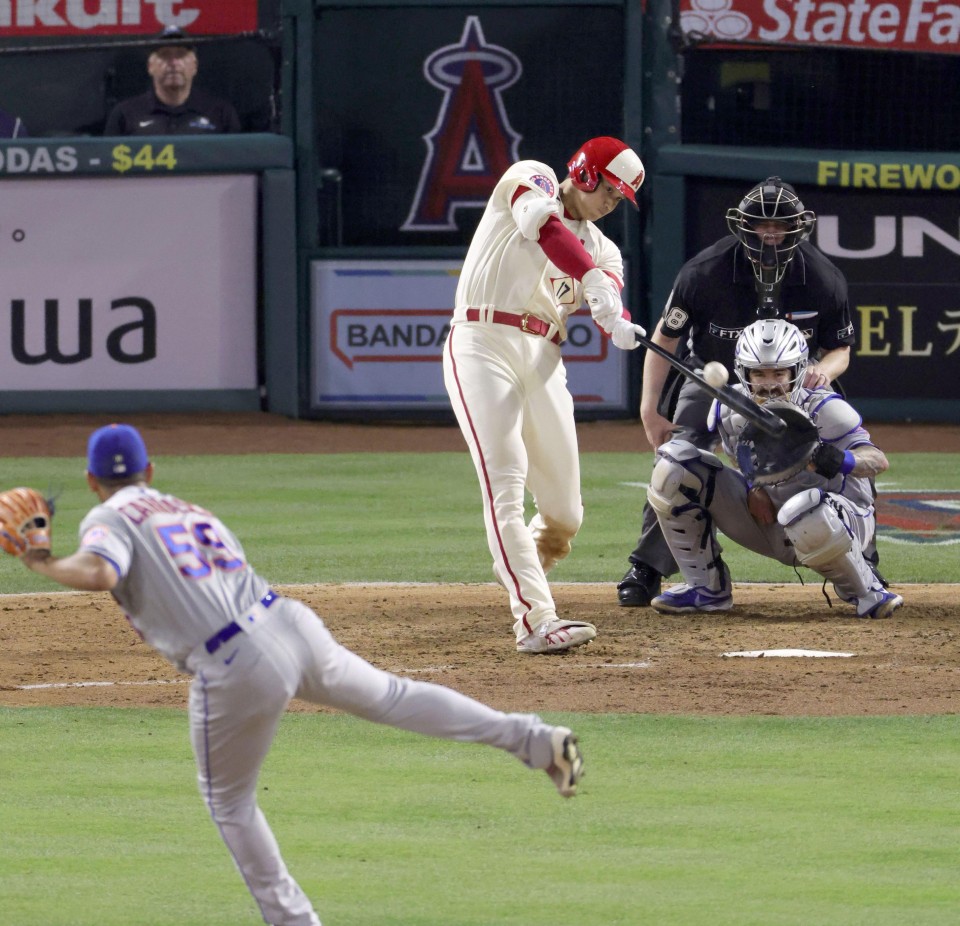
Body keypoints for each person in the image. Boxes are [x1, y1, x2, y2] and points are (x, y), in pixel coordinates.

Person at [18, 423, 585, 926]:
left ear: (92, 481)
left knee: (229, 804)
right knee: (393, 695)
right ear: (150, 470)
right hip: (289, 623)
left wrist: (42, 562)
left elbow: (99, 571)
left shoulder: (107, 515)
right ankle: (533, 739)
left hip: (233, 664)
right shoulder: (187, 509)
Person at [443, 136, 647, 654]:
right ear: (583, 172)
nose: (612, 202)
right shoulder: (530, 176)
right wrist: (593, 280)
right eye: (609, 189)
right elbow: (548, 230)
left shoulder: (606, 248)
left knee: (564, 515)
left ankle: (519, 566)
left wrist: (616, 319)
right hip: (482, 342)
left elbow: (609, 297)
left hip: (543, 357)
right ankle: (535, 618)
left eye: (621, 197)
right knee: (505, 481)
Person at [617, 176, 856, 607]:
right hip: (714, 378)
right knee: (675, 458)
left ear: (797, 227)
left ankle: (862, 558)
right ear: (741, 225)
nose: (770, 233)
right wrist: (649, 409)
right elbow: (665, 340)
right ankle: (649, 566)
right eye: (761, 224)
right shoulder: (703, 273)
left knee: (839, 445)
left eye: (780, 225)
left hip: (791, 383)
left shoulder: (823, 277)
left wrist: (824, 368)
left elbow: (840, 348)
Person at [645, 317, 902, 619]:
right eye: (759, 373)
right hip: (772, 523)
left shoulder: (824, 408)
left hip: (840, 522)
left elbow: (877, 460)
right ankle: (707, 589)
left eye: (779, 372)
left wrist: (840, 459)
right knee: (675, 465)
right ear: (744, 372)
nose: (769, 383)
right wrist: (755, 486)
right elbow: (740, 457)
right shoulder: (729, 409)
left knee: (805, 507)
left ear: (797, 370)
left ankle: (867, 592)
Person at [103, 27, 240, 135]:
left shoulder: (221, 113)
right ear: (150, 66)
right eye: (164, 55)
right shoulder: (125, 114)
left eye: (181, 55)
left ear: (195, 65)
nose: (174, 63)